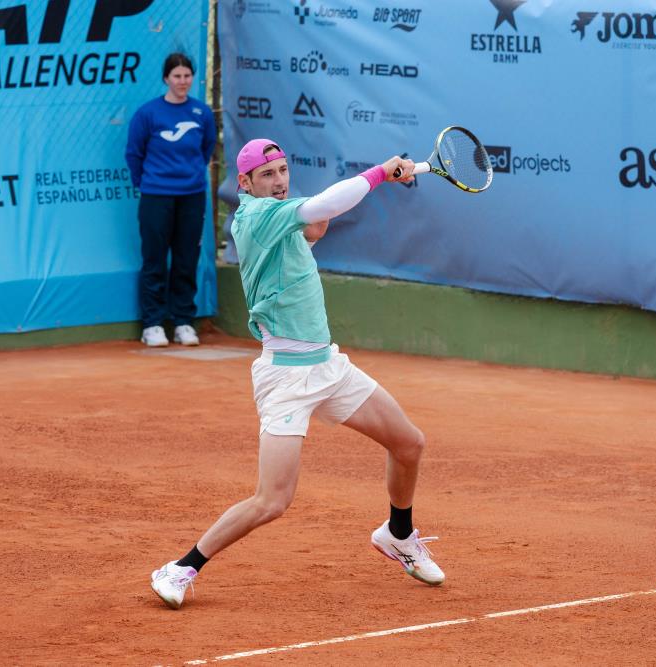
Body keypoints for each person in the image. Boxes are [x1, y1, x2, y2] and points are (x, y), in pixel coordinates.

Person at [150, 138, 444, 610]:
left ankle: (399, 534)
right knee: (272, 500)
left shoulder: (284, 214)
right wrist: (381, 173)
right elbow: (325, 206)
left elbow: (319, 221)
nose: (278, 180)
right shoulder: (253, 217)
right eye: (266, 175)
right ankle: (181, 567)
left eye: (283, 170)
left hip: (328, 366)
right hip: (285, 377)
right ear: (243, 183)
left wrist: (367, 188)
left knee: (409, 443)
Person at [125, 53, 216, 347]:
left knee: (186, 259)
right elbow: (134, 154)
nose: (182, 81)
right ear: (166, 78)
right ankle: (152, 324)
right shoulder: (147, 114)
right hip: (155, 196)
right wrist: (150, 183)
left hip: (191, 197)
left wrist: (188, 178)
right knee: (154, 258)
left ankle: (183, 322)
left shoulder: (201, 113)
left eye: (187, 75)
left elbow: (206, 149)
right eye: (176, 76)